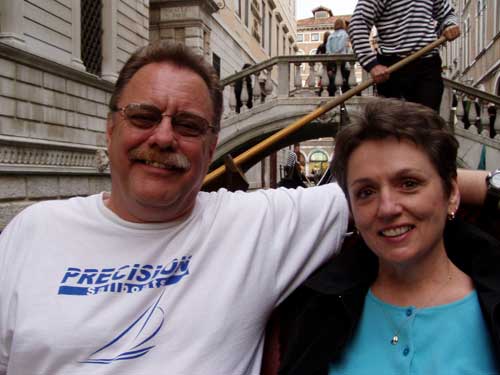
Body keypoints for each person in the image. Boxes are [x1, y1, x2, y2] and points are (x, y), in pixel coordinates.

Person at [0, 43, 491, 375]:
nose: (164, 136)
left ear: (212, 146)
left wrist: (478, 185)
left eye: (189, 125)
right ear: (110, 129)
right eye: (144, 116)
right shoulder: (32, 231)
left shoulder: (255, 224)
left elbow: (395, 191)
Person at [278, 98, 500, 374]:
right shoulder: (318, 311)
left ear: (453, 193)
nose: (387, 208)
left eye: (409, 183)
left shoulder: (491, 304)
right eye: (366, 192)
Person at [349, 0, 461, 111]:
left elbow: (447, 14)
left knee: (427, 122)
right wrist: (372, 65)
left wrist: (450, 25)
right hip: (392, 68)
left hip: (428, 64)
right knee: (394, 123)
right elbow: (358, 24)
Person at [326, 18, 350, 95]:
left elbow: (328, 50)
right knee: (345, 81)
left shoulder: (330, 36)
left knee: (333, 81)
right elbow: (342, 47)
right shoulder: (345, 34)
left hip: (332, 61)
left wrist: (332, 55)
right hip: (342, 60)